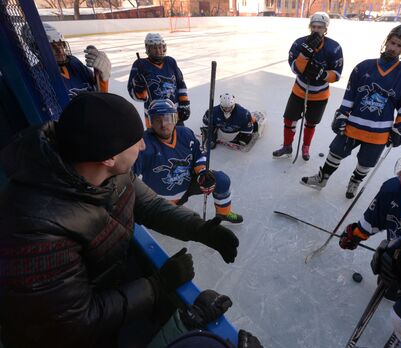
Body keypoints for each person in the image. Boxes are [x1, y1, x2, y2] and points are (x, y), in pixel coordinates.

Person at [0, 92, 243, 347]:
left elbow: (149, 205)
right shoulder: (35, 231)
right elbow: (75, 322)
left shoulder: (107, 171)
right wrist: (157, 286)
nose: (143, 146)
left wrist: (199, 229)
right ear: (109, 157)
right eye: (135, 141)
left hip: (108, 283)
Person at [301, 24, 401, 199]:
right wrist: (342, 114)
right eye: (392, 43)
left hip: (380, 131)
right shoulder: (364, 67)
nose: (394, 48)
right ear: (386, 41)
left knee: (366, 162)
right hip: (353, 124)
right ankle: (322, 178)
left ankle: (355, 181)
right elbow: (350, 95)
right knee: (335, 151)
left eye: (400, 46)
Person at [133, 99, 244, 224]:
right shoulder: (142, 145)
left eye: (168, 118)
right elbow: (128, 177)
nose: (164, 124)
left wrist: (202, 174)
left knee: (221, 180)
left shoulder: (186, 134)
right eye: (157, 120)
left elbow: (198, 155)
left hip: (187, 185)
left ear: (175, 118)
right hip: (161, 201)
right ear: (150, 122)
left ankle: (224, 213)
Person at [272, 11, 343, 161]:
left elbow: (336, 75)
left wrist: (322, 74)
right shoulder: (299, 43)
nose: (316, 30)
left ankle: (306, 147)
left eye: (320, 27)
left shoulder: (334, 48)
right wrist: (304, 56)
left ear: (326, 29)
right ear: (310, 27)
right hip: (299, 90)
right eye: (314, 26)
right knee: (289, 120)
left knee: (311, 122)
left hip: (320, 95)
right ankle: (287, 146)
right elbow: (294, 68)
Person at [128, 33, 191, 125]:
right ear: (148, 49)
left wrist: (184, 103)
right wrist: (140, 87)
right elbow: (139, 96)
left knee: (178, 137)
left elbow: (181, 84)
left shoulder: (170, 61)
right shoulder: (140, 65)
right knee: (156, 139)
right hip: (154, 115)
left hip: (174, 113)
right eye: (154, 48)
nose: (158, 51)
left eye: (160, 47)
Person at [43, 23, 111, 98]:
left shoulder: (73, 62)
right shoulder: (40, 75)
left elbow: (98, 91)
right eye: (52, 46)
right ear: (38, 50)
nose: (59, 50)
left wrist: (102, 77)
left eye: (60, 44)